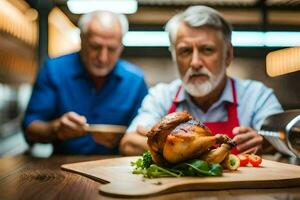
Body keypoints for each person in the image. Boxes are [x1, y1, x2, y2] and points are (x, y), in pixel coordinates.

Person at [120, 6, 283, 156]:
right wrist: (187, 150)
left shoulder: (256, 96)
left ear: (228, 55)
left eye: (207, 50)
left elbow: (289, 135)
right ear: (174, 57)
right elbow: (129, 144)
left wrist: (268, 142)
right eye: (185, 51)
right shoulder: (161, 96)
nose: (195, 62)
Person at [22, 10, 148, 155]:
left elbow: (144, 131)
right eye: (95, 47)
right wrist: (55, 129)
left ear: (121, 46)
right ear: (82, 39)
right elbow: (29, 128)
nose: (103, 57)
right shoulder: (54, 71)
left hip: (116, 168)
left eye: (112, 49)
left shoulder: (135, 80)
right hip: (62, 168)